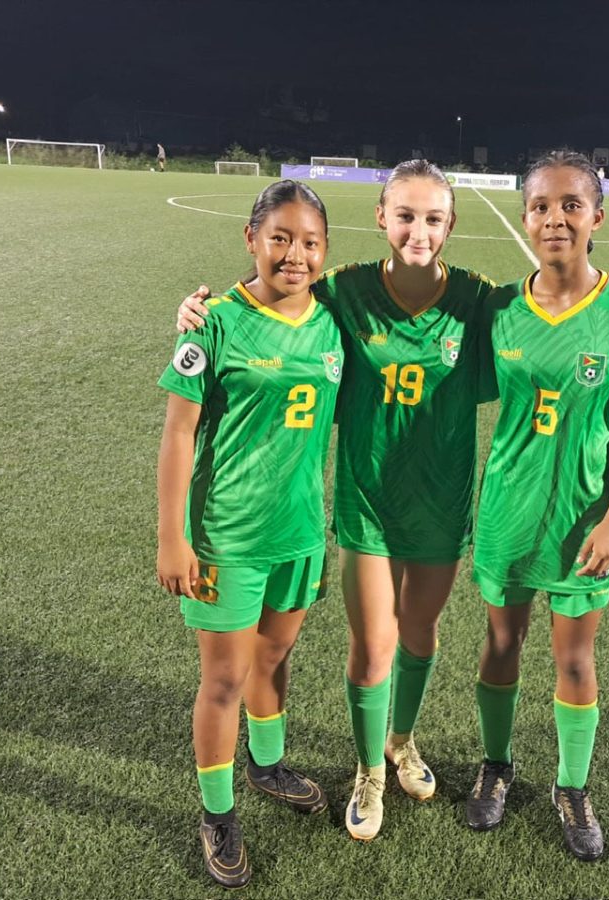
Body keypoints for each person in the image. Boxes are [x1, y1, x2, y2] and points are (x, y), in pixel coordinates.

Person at [177, 160, 498, 842]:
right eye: (405, 215)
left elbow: (546, 310)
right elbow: (265, 304)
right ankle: (365, 771)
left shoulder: (475, 299)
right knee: (370, 647)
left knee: (415, 637)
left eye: (433, 217)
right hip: (362, 508)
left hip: (438, 506)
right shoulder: (343, 294)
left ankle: (399, 743)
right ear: (380, 218)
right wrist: (197, 311)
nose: (418, 229)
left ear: (450, 224)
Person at [464, 150, 609, 862]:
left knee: (574, 660)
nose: (555, 218)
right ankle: (497, 764)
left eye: (571, 204)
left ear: (597, 217)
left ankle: (571, 785)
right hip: (508, 513)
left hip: (585, 523)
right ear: (525, 219)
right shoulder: (498, 310)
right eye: (542, 206)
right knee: (501, 645)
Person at [157, 180, 341, 888]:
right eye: (281, 239)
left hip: (298, 533)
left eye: (311, 242)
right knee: (225, 677)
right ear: (251, 239)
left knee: (274, 660)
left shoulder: (332, 323)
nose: (295, 254)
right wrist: (174, 538)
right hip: (226, 538)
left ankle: (266, 765)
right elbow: (178, 434)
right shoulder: (213, 321)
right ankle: (218, 814)